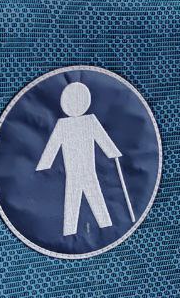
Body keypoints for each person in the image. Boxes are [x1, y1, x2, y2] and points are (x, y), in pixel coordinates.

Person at [36, 81, 123, 236]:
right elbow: (52, 146)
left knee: (91, 195)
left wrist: (112, 152)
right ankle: (72, 230)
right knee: (75, 199)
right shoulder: (64, 125)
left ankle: (102, 225)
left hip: (88, 169)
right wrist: (45, 163)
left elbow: (102, 139)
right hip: (73, 171)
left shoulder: (89, 121)